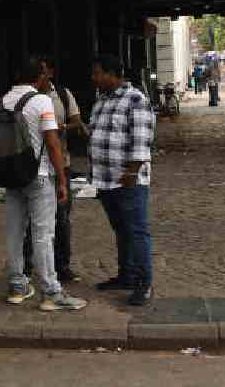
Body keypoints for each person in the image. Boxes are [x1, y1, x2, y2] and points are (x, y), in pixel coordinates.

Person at [1, 57, 87, 312]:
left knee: (15, 232)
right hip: (38, 177)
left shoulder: (3, 100)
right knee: (43, 234)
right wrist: (62, 179)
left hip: (12, 176)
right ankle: (51, 292)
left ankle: (18, 286)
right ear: (40, 77)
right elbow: (52, 142)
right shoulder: (42, 101)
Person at [89, 55, 156, 307]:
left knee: (137, 231)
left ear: (113, 73)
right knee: (122, 230)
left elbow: (141, 142)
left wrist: (131, 173)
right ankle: (126, 275)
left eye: (98, 73)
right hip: (106, 181)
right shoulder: (101, 101)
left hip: (128, 181)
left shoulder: (136, 100)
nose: (94, 78)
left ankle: (144, 282)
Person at [24, 57, 86, 284]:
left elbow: (76, 122)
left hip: (61, 163)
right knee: (31, 220)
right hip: (34, 168)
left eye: (43, 71)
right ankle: (28, 268)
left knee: (60, 219)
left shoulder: (61, 94)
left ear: (49, 72)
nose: (41, 77)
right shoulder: (28, 99)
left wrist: (62, 128)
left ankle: (61, 265)